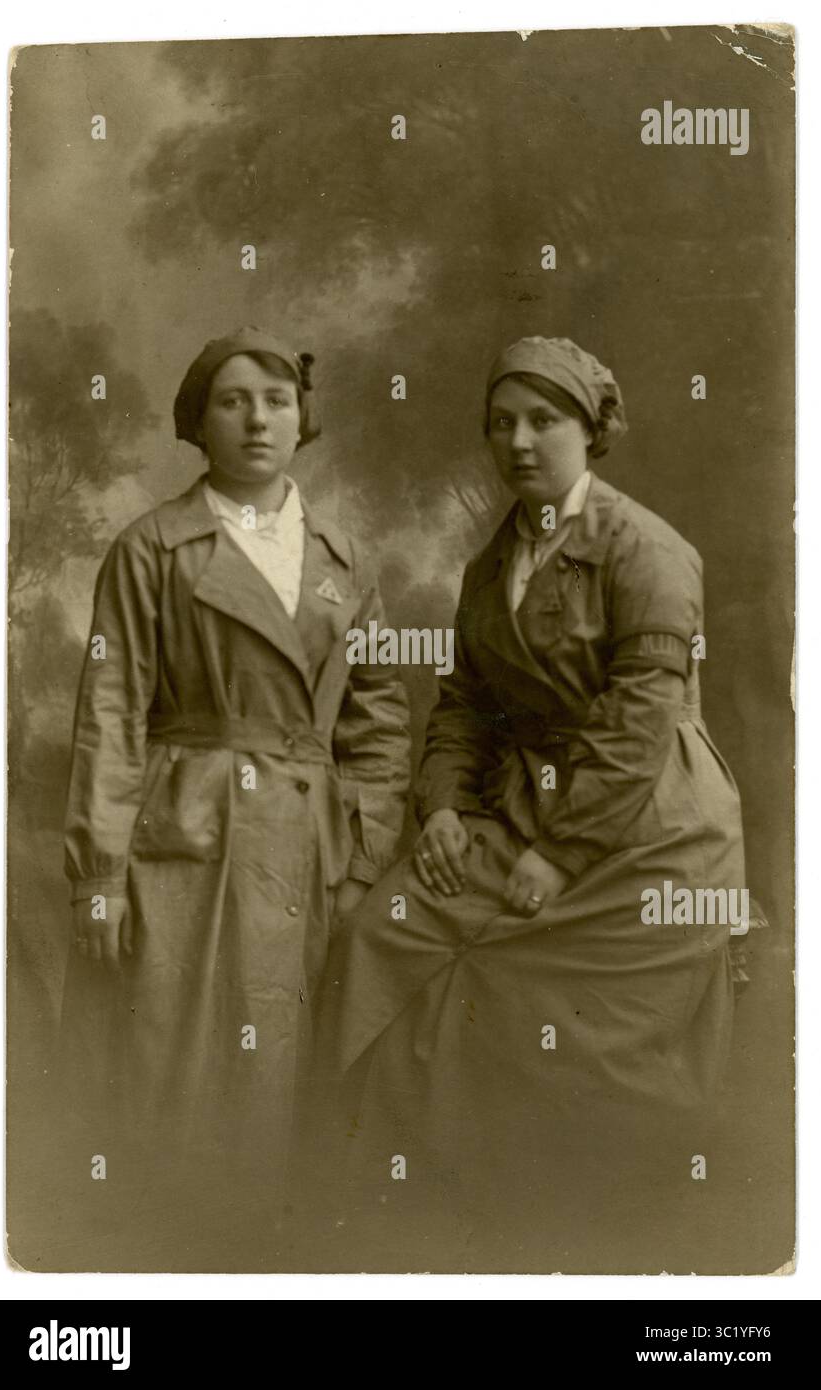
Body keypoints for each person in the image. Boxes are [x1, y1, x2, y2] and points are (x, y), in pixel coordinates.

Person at [314, 335, 746, 1267]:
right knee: (383, 931)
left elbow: (639, 725)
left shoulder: (648, 549)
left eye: (543, 420)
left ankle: (578, 1228)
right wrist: (440, 807)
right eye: (500, 423)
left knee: (561, 1012)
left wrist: (559, 853)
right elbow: (464, 707)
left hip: (648, 829)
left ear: (592, 429)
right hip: (523, 812)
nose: (517, 441)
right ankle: (400, 1200)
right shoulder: (488, 568)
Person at [57, 326, 411, 1260]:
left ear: (302, 419)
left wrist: (364, 851)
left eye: (277, 401)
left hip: (310, 847)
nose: (258, 420)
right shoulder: (153, 548)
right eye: (233, 401)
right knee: (178, 1054)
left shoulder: (343, 558)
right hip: (185, 838)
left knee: (292, 1068)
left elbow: (378, 721)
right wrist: (99, 872)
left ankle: (271, 1258)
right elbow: (112, 711)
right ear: (199, 423)